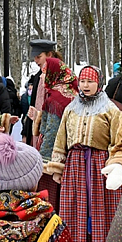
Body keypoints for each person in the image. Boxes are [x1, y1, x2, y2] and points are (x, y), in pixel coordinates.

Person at [45, 65, 122, 242]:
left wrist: (115, 166)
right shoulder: (71, 108)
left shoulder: (110, 110)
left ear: (99, 83)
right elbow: (61, 139)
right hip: (75, 165)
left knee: (98, 212)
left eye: (90, 81)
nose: (86, 86)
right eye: (83, 82)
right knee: (75, 211)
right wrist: (58, 165)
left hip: (99, 167)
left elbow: (117, 143)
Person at [32, 57, 78, 206]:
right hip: (70, 152)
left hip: (52, 154)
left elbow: (52, 132)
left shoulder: (55, 99)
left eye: (45, 72)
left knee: (49, 196)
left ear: (53, 74)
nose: (41, 76)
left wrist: (44, 162)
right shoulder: (73, 92)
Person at [23, 38, 57, 142]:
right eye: (35, 57)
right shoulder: (38, 76)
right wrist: (26, 132)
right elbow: (32, 106)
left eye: (39, 57)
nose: (36, 60)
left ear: (49, 55)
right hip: (36, 130)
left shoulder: (57, 76)